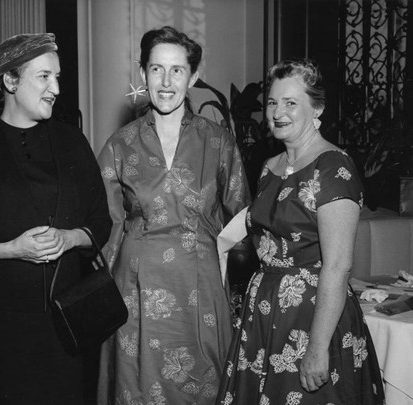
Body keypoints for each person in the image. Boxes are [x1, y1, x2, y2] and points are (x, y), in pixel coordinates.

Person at [0, 33, 112, 404]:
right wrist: (11, 249)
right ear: (10, 81)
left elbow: (101, 222)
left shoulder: (72, 141)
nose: (56, 88)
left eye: (57, 77)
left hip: (66, 332)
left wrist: (70, 237)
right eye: (44, 77)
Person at [215, 58, 385, 404]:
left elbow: (338, 266)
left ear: (316, 108)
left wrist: (318, 348)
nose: (278, 112)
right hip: (264, 312)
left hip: (312, 317)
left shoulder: (334, 167)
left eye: (291, 103)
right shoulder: (268, 167)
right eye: (273, 102)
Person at [96, 26, 250, 404]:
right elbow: (105, 226)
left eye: (177, 70)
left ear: (193, 76)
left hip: (201, 291)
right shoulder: (120, 144)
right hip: (134, 291)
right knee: (135, 386)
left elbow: (243, 220)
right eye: (156, 69)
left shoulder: (218, 141)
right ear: (143, 72)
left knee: (203, 384)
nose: (166, 82)